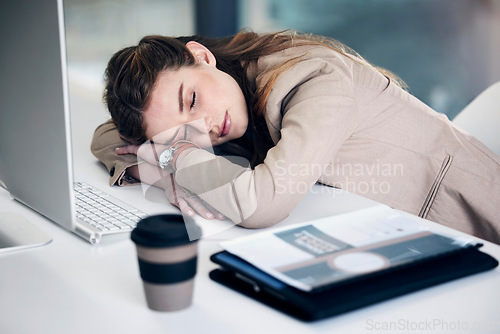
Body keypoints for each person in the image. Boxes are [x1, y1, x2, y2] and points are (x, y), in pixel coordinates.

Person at [91, 30, 500, 244]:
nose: (204, 127)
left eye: (193, 99)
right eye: (178, 132)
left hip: (464, 226)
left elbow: (261, 204)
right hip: (380, 235)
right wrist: (170, 159)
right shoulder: (230, 89)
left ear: (201, 55)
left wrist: (172, 161)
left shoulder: (315, 79)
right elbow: (105, 136)